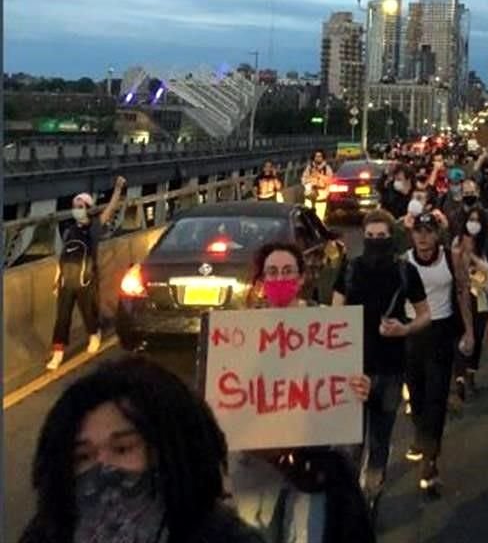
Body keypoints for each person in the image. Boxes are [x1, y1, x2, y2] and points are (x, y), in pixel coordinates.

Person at [20, 357, 264, 543]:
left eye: (123, 449)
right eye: (83, 456)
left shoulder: (225, 538)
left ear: (170, 451)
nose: (103, 466)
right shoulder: (45, 535)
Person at [230, 242, 374, 543]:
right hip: (258, 470)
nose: (280, 278)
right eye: (272, 272)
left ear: (301, 278)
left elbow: (342, 385)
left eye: (287, 271)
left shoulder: (325, 326)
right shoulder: (239, 333)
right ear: (261, 281)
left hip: (314, 465)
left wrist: (359, 387)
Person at [332, 209, 431, 513]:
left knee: (379, 439)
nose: (375, 242)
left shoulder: (405, 272)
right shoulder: (349, 270)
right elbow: (334, 314)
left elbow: (424, 314)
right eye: (370, 237)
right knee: (350, 443)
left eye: (381, 237)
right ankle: (349, 503)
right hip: (353, 369)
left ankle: (370, 498)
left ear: (391, 238)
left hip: (390, 367)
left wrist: (405, 328)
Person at [402, 212, 474, 494]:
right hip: (411, 333)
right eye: (418, 231)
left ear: (437, 234)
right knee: (416, 395)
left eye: (428, 231)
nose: (422, 236)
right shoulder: (404, 261)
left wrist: (469, 331)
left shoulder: (450, 257)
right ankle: (422, 435)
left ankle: (431, 458)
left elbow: (462, 291)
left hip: (441, 332)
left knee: (436, 396)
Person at [47, 176, 127, 371]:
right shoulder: (69, 230)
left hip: (87, 278)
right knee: (62, 317)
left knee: (88, 312)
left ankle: (94, 333)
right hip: (67, 279)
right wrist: (57, 279)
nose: (77, 208)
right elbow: (63, 255)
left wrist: (117, 189)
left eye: (81, 205)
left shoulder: (94, 227)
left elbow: (110, 210)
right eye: (75, 205)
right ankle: (57, 353)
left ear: (88, 208)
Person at [452, 205, 488, 403]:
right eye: (471, 219)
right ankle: (460, 376)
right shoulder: (458, 243)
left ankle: (470, 374)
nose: (473, 224)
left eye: (477, 220)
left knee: (477, 333)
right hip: (461, 294)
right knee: (463, 333)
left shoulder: (485, 246)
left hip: (482, 297)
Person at [301, 149, 334, 221]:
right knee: (308, 220)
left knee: (319, 220)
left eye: (320, 156)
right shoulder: (309, 168)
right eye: (316, 156)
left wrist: (319, 176)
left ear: (323, 158)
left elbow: (331, 180)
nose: (318, 158)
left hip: (321, 199)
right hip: (309, 198)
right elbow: (303, 179)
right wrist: (310, 180)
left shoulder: (327, 168)